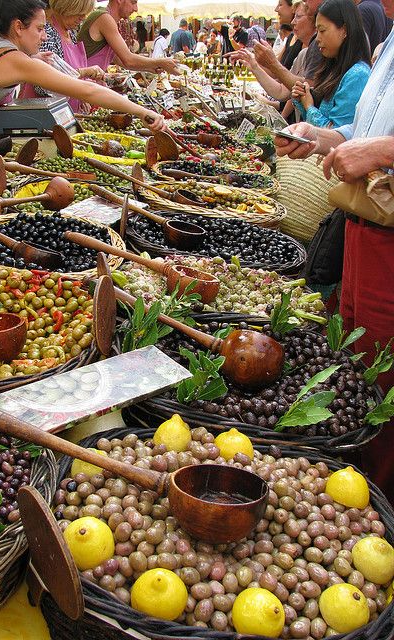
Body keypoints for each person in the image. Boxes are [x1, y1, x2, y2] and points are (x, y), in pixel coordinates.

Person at [275, 0, 394, 501]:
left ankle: (378, 505)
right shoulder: (389, 45)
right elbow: (359, 133)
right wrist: (319, 137)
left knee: (383, 379)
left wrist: (383, 152)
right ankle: (353, 483)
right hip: (365, 224)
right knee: (358, 365)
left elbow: (377, 144)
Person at [0, 0, 165, 154]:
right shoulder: (13, 60)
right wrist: (143, 112)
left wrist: (31, 61)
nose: (44, 36)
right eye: (40, 28)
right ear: (18, 27)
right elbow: (88, 91)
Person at [291, 0, 371, 127]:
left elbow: (337, 134)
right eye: (317, 31)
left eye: (322, 31)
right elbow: (317, 126)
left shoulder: (357, 75)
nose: (317, 39)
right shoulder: (334, 67)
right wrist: (302, 99)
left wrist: (309, 106)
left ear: (344, 30)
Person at [19, 0, 105, 113]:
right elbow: (43, 85)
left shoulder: (72, 34)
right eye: (80, 12)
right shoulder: (47, 34)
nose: (83, 17)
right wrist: (83, 73)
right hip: (45, 116)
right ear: (66, 7)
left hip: (67, 114)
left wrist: (82, 96)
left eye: (85, 13)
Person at [233, 2, 316, 105]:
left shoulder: (316, 55)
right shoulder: (302, 54)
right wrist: (254, 66)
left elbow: (307, 92)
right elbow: (282, 91)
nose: (293, 21)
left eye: (298, 16)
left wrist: (270, 63)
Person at [77, 0, 179, 72]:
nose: (136, 8)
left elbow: (118, 59)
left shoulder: (107, 18)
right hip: (83, 88)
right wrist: (161, 62)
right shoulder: (104, 18)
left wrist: (149, 68)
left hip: (88, 86)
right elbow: (128, 59)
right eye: (133, 2)